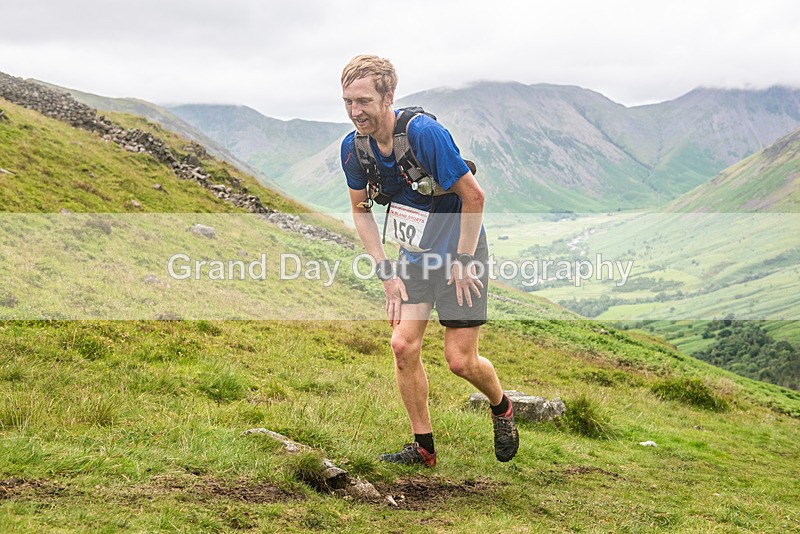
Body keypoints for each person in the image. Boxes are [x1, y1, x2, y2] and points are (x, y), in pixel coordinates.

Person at [340, 54, 519, 466]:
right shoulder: (354, 148)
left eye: (363, 101)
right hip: (415, 257)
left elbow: (474, 196)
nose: (355, 112)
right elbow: (360, 210)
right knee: (402, 344)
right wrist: (386, 272)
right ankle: (424, 449)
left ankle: (502, 407)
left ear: (388, 97)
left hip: (461, 250)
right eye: (348, 101)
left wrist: (463, 259)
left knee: (460, 361)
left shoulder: (424, 134)